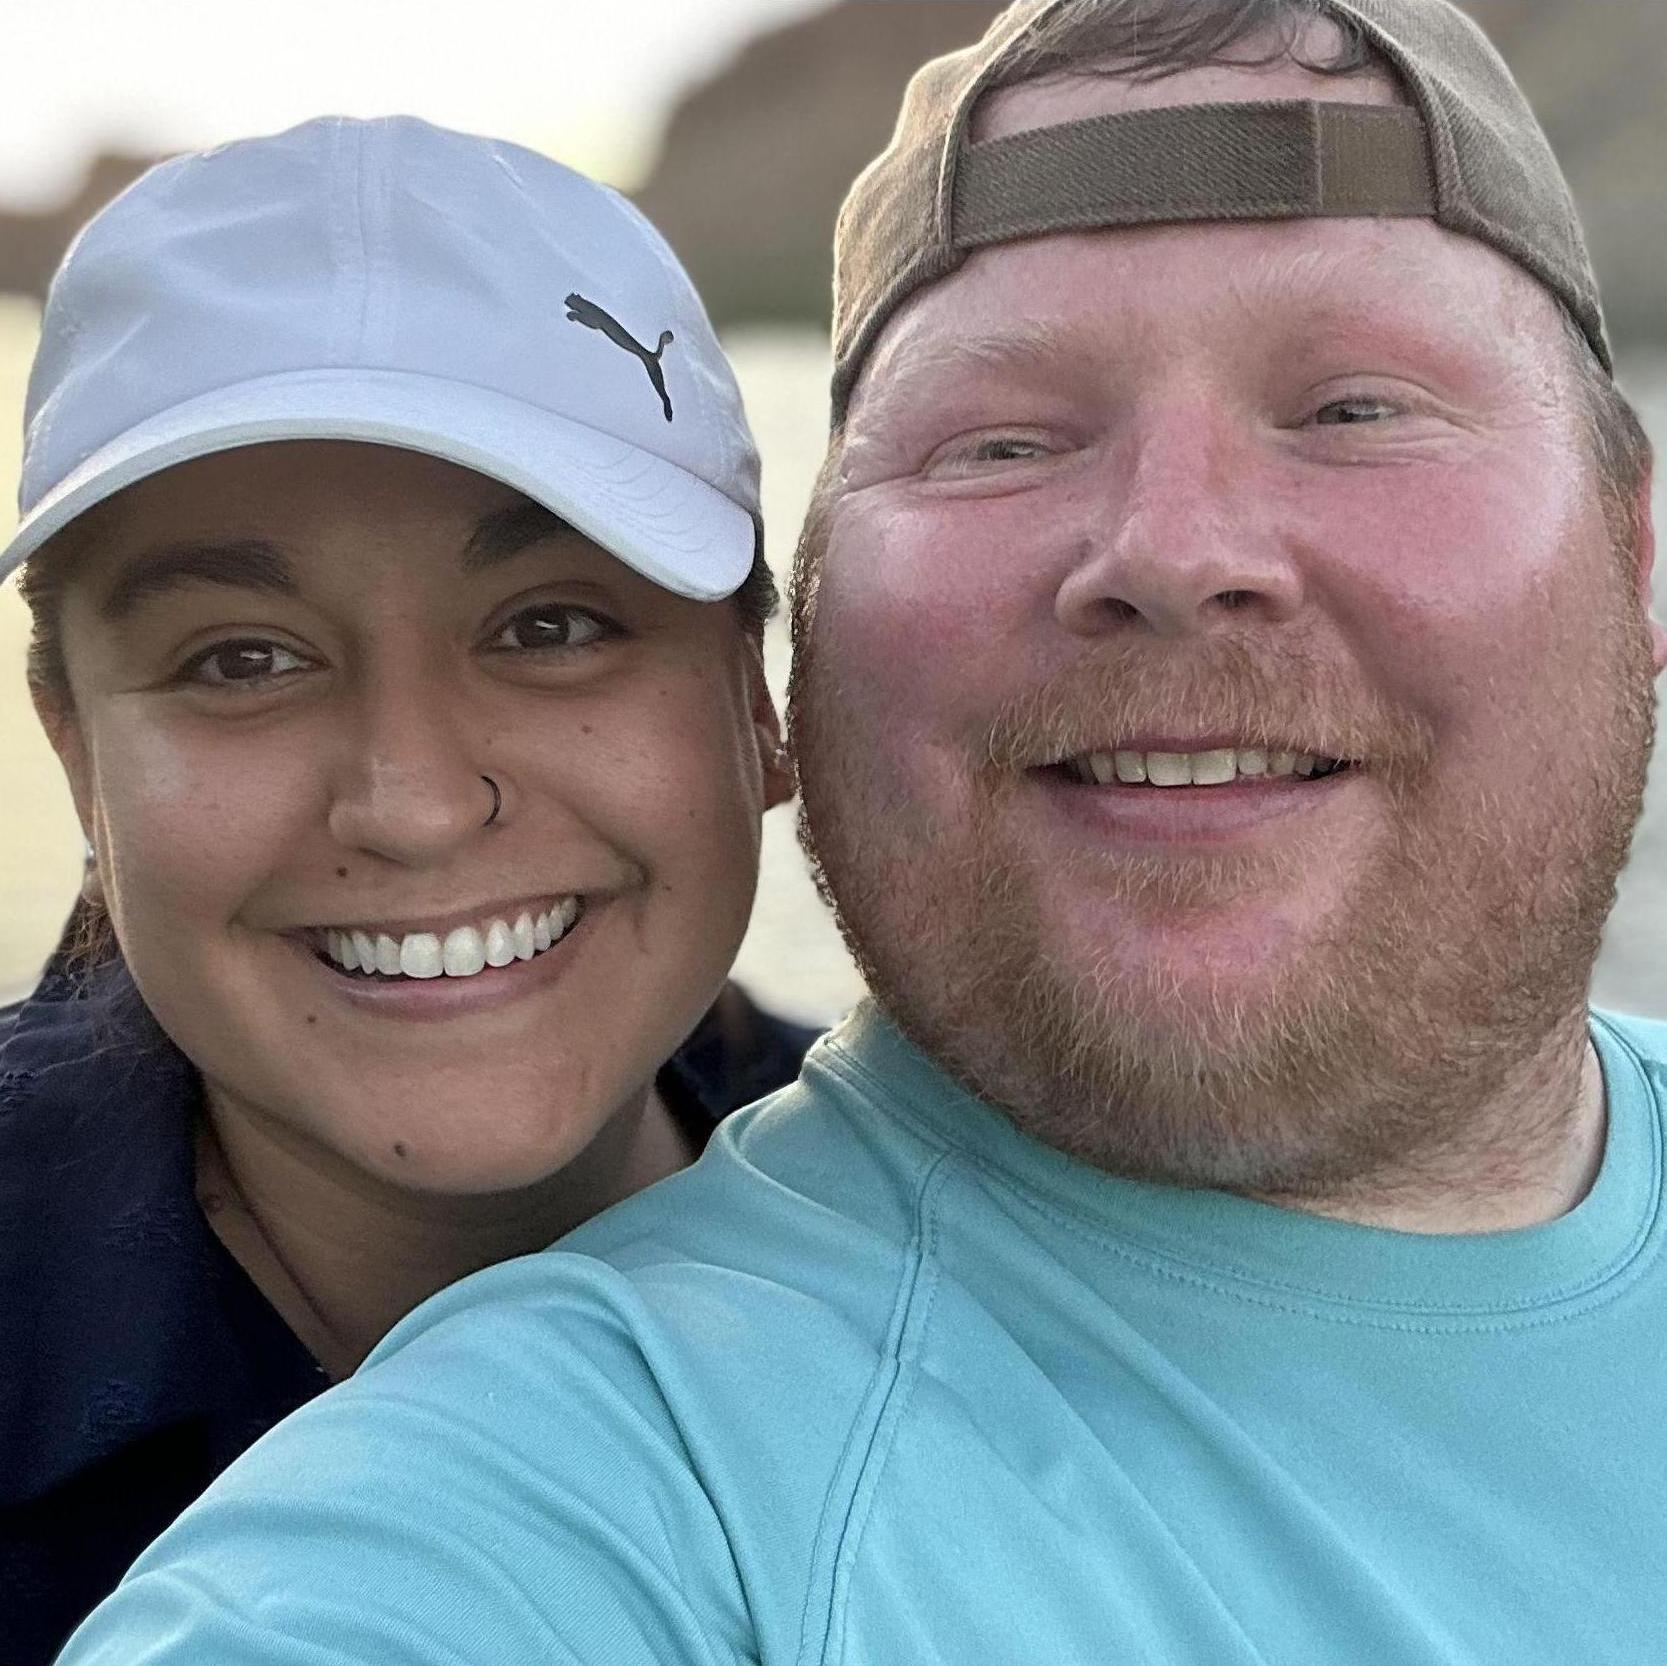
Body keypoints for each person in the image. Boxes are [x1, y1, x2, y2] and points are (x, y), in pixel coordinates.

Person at [55, 1, 1667, 1661]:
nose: (1173, 546)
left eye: (1354, 408)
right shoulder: (562, 1479)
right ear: (814, 643)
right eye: (1004, 439)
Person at [0, 114, 816, 1663]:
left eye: (554, 623)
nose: (420, 805)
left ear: (759, 701)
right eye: (242, 658)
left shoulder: (968, 1257)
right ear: (78, 755)